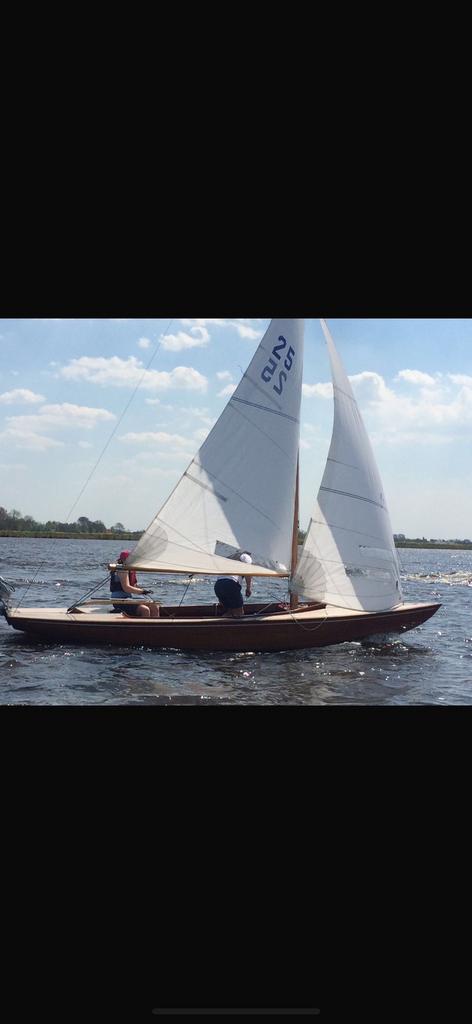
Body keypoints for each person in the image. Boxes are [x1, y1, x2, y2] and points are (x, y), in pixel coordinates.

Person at [110, 550, 160, 618]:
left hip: (129, 598)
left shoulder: (130, 568)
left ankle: (155, 627)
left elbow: (134, 586)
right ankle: (144, 628)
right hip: (119, 600)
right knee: (145, 610)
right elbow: (126, 588)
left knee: (154, 606)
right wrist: (142, 591)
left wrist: (144, 590)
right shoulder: (121, 569)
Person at [214, 552, 253, 619]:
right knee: (239, 613)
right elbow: (248, 572)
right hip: (230, 584)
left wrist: (221, 600)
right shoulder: (245, 557)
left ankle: (221, 625)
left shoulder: (230, 557)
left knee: (229, 612)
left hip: (218, 585)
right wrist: (248, 588)